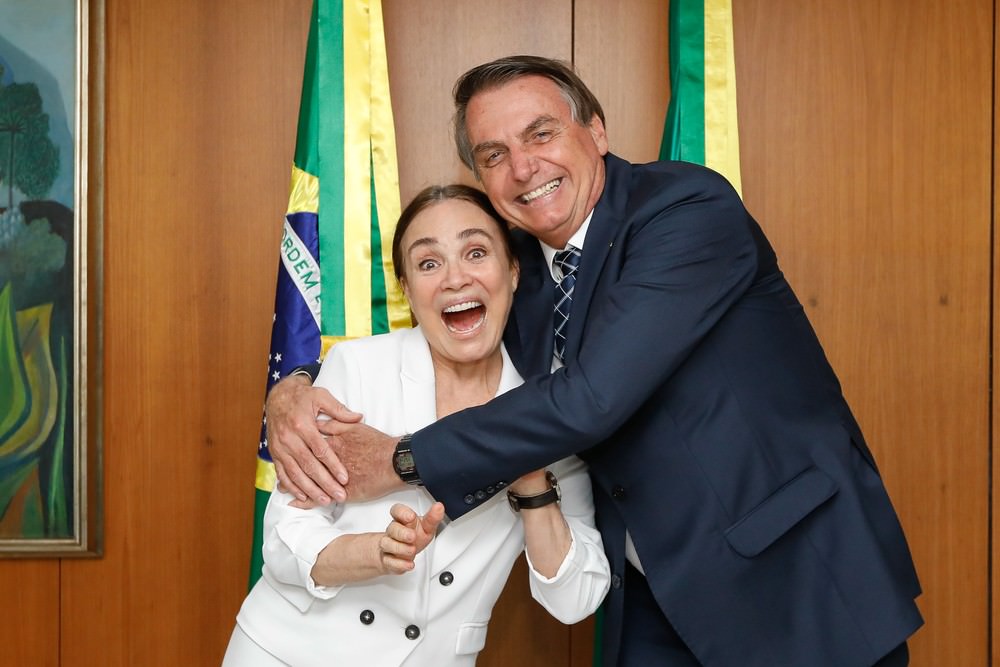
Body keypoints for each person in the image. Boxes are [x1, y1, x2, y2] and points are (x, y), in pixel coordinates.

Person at [264, 56, 923, 666]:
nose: (524, 167)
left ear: (597, 131)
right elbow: (447, 332)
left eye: (541, 133)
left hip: (793, 578)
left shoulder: (685, 211)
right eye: (495, 155)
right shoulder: (521, 273)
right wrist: (292, 387)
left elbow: (592, 398)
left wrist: (402, 460)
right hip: (655, 596)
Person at [225, 184, 610, 666]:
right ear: (407, 289)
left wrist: (532, 480)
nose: (455, 278)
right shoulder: (356, 367)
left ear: (513, 271)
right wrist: (373, 553)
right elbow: (285, 538)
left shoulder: (553, 406)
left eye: (476, 253)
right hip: (286, 652)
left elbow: (575, 599)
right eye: (429, 263)